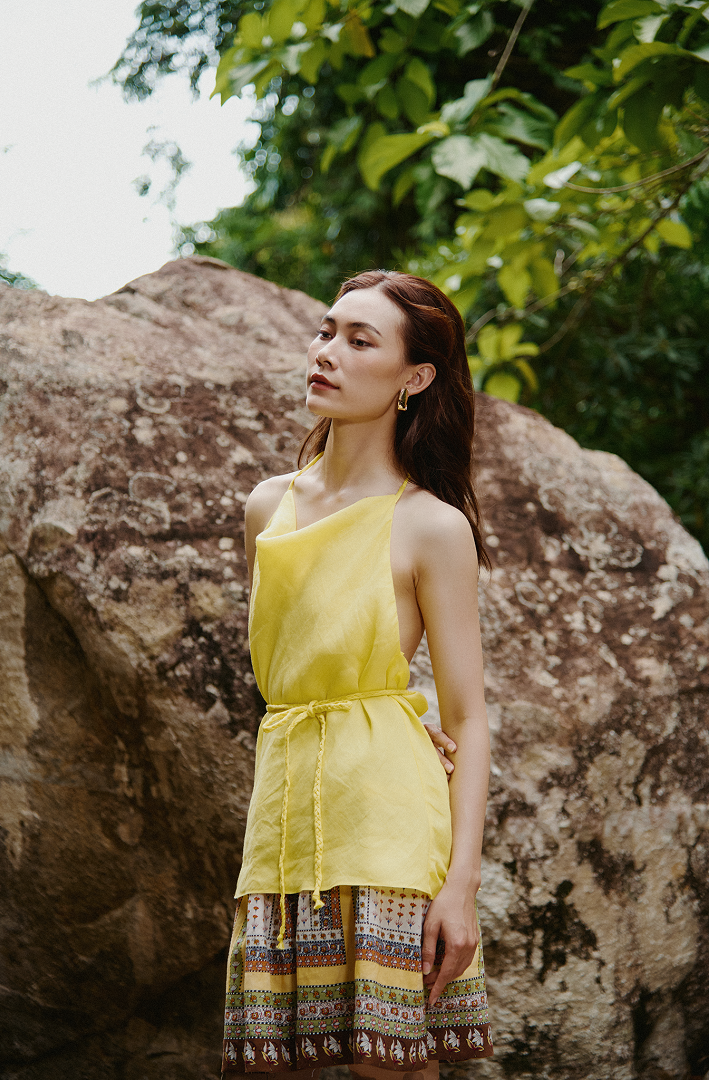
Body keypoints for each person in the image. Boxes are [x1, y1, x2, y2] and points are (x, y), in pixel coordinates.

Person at [222, 270, 493, 1079]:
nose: (326, 352)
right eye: (326, 331)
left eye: (359, 340)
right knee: (275, 1064)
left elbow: (468, 717)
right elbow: (291, 672)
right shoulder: (267, 507)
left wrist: (461, 886)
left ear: (416, 378)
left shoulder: (431, 526)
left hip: (390, 823)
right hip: (281, 822)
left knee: (393, 1066)